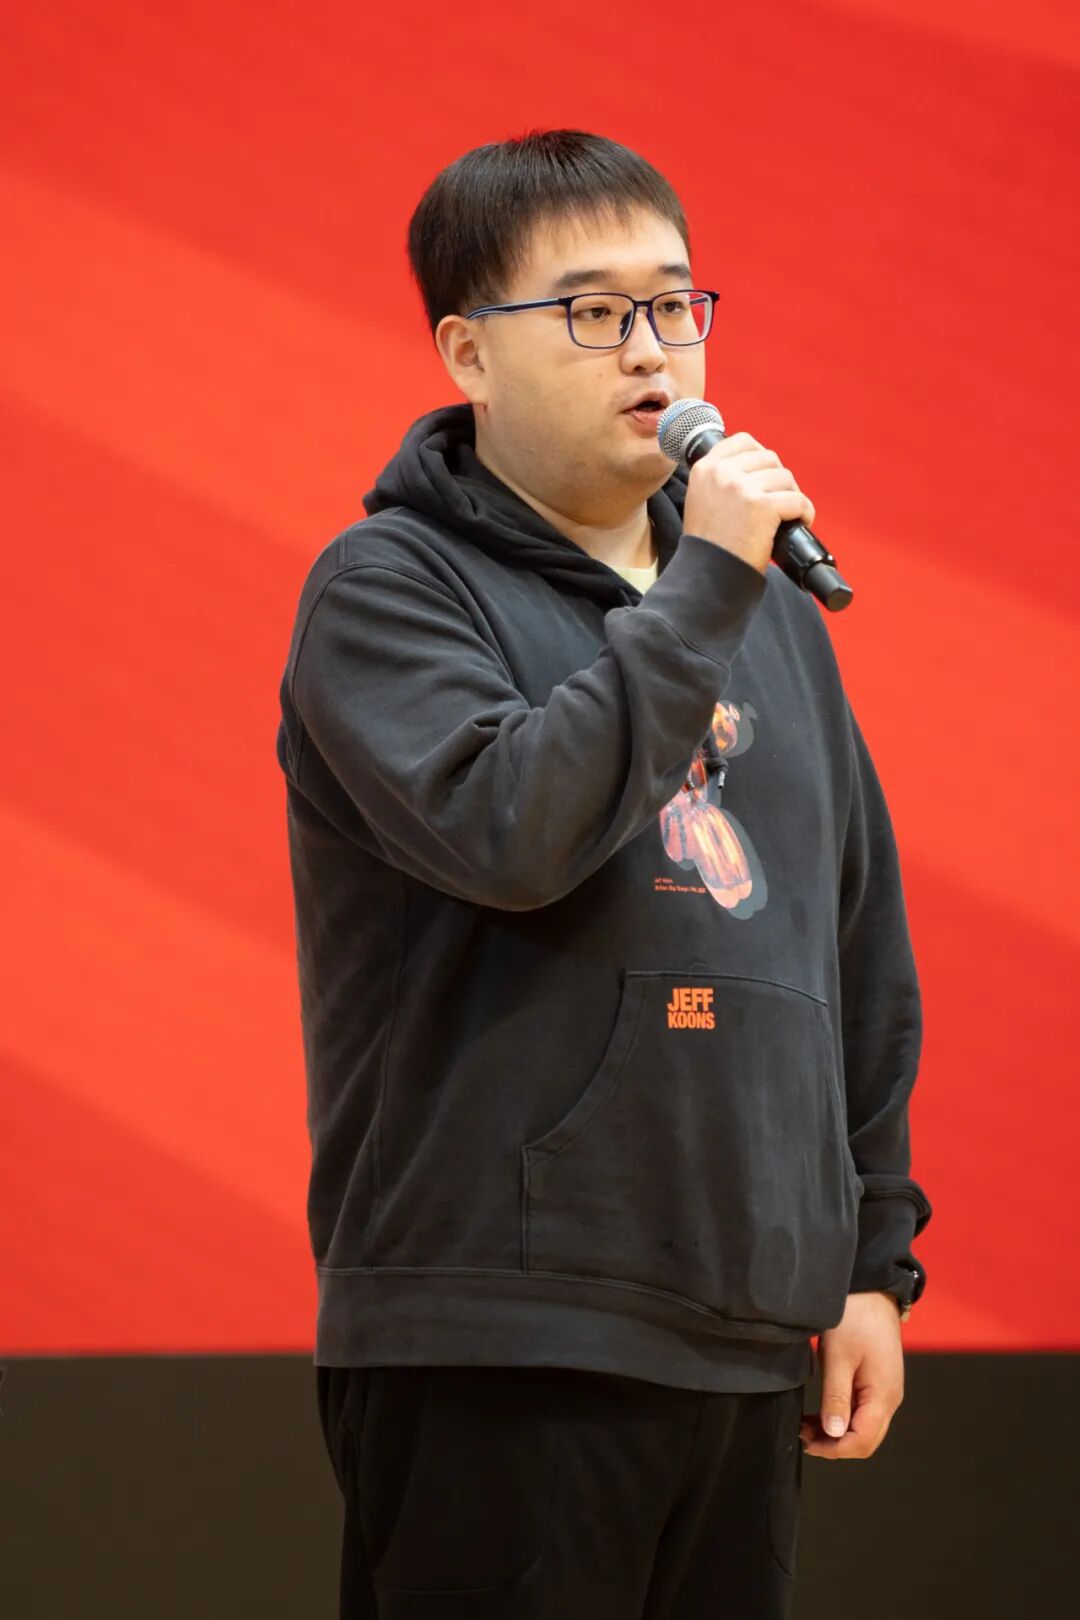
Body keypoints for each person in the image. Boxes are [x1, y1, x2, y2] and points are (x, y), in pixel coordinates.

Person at [275, 128, 932, 1619]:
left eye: (675, 304)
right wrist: (707, 586)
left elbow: (852, 947)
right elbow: (515, 831)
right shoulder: (387, 589)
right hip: (502, 1333)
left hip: (745, 1333)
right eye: (590, 311)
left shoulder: (767, 616)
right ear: (467, 352)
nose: (650, 347)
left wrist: (866, 1261)